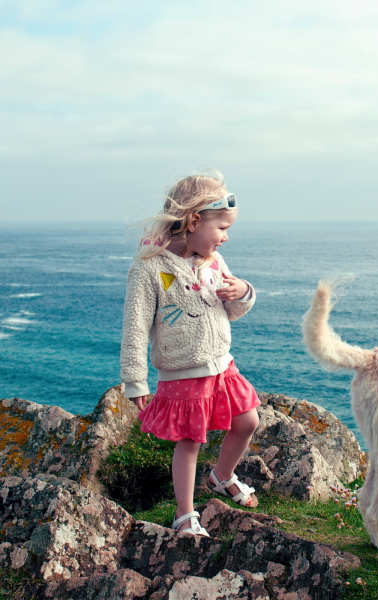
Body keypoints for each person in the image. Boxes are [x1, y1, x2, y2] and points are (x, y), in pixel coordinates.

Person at [120, 171, 260, 536]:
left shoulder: (212, 260)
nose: (226, 237)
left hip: (222, 366)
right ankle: (185, 514)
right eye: (222, 228)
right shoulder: (149, 269)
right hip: (184, 372)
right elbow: (134, 327)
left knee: (247, 422)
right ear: (194, 221)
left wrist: (242, 292)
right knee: (191, 442)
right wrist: (135, 380)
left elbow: (232, 309)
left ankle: (221, 477)